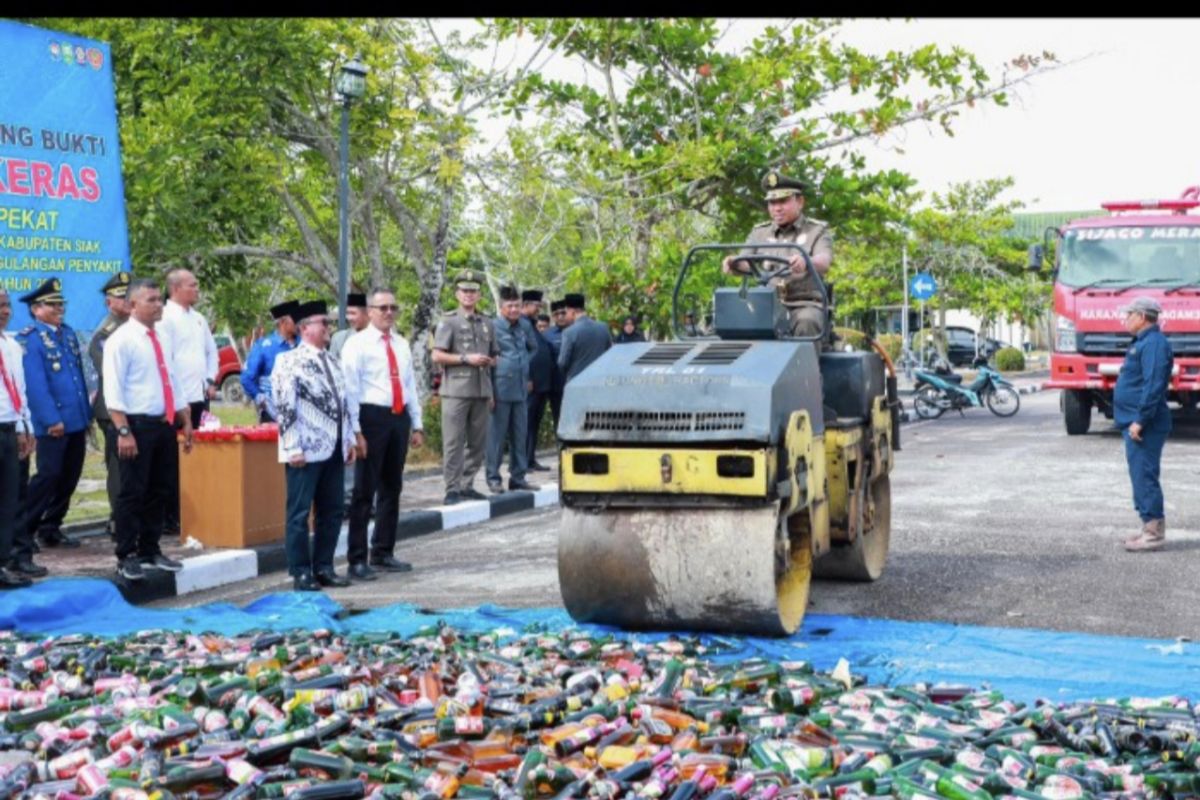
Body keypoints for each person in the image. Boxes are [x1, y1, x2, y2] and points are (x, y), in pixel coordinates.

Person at [102, 278, 193, 581]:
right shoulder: (121, 340)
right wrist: (123, 432)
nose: (158, 305)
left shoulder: (161, 337)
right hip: (135, 425)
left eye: (159, 299)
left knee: (160, 489)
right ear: (131, 305)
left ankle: (150, 549)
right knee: (132, 492)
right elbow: (113, 391)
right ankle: (126, 554)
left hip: (162, 423)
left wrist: (185, 418)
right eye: (151, 300)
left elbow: (172, 380)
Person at [271, 300, 356, 591]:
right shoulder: (288, 361)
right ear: (305, 328)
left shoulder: (333, 360)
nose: (328, 328)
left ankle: (324, 566)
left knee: (331, 511)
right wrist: (292, 446)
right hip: (304, 450)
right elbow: (285, 407)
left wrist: (349, 440)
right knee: (299, 513)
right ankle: (300, 571)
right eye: (323, 322)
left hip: (332, 448)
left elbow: (343, 404)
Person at [341, 288, 424, 580]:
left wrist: (417, 423)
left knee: (392, 487)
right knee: (364, 491)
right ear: (370, 312)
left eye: (393, 307)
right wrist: (355, 430)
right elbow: (350, 389)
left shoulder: (401, 343)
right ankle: (357, 559)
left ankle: (383, 551)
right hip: (370, 416)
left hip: (397, 416)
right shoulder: (357, 344)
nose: (389, 312)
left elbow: (410, 383)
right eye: (383, 308)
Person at [16, 277, 91, 554]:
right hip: (53, 423)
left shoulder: (68, 334)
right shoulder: (31, 339)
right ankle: (24, 529)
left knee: (69, 476)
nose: (60, 308)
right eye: (53, 304)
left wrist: (85, 416)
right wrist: (50, 420)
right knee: (48, 476)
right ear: (36, 309)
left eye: (62, 303)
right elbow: (36, 386)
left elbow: (76, 378)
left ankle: (51, 526)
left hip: (76, 419)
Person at [722, 170, 833, 338]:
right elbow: (746, 262)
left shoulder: (816, 230)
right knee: (730, 322)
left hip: (803, 305)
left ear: (800, 201)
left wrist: (806, 261)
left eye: (783, 201)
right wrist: (733, 263)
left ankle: (803, 365)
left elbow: (824, 260)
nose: (777, 208)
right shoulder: (760, 233)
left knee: (806, 323)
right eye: (772, 203)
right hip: (766, 305)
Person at [158, 267, 219, 539]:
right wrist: (178, 397)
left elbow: (211, 351)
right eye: (192, 285)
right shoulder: (165, 317)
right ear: (176, 289)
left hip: (199, 397)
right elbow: (167, 361)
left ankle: (196, 508)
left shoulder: (199, 319)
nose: (197, 289)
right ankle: (171, 515)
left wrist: (210, 379)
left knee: (197, 455)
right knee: (172, 460)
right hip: (175, 400)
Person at [431, 269, 497, 506]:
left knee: (478, 443)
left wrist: (489, 361)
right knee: (453, 442)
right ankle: (452, 488)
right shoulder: (448, 321)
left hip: (481, 390)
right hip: (456, 391)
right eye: (465, 291)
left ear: (479, 295)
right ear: (457, 294)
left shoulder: (487, 322)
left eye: (473, 291)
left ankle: (467, 485)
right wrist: (466, 359)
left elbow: (495, 356)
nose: (469, 295)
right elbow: (437, 355)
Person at [1114, 296, 1174, 552]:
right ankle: (1147, 526)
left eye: (1129, 314)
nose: (1126, 319)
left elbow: (1153, 386)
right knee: (1140, 475)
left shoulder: (1154, 344)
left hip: (1145, 424)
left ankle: (1154, 533)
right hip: (1135, 422)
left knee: (1145, 476)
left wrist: (1140, 420)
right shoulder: (1143, 342)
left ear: (1142, 316)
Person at [88, 271, 132, 541]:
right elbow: (113, 373)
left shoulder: (136, 329)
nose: (127, 300)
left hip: (136, 408)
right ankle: (118, 518)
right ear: (109, 302)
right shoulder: (105, 334)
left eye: (129, 295)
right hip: (112, 409)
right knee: (119, 466)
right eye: (121, 296)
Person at [486, 286, 538, 493]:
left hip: (520, 387)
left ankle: (518, 477)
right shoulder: (492, 326)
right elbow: (486, 357)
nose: (514, 309)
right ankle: (493, 478)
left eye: (517, 305)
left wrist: (521, 364)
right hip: (500, 388)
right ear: (501, 307)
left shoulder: (524, 325)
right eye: (510, 306)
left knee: (520, 434)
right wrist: (490, 391)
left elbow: (533, 347)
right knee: (497, 436)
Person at [0, 288, 36, 587]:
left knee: (8, 499)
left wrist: (25, 427)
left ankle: (2, 563)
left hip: (9, 429)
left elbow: (19, 390)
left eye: (6, 305)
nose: (5, 311)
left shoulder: (11, 345)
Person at [241, 300, 299, 423]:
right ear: (283, 322)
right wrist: (261, 399)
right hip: (273, 416)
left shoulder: (303, 344)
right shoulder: (264, 346)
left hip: (302, 415)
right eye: (296, 318)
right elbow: (247, 377)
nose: (299, 322)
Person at [522, 290, 554, 472]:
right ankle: (522, 462)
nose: (538, 309)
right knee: (525, 423)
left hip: (541, 385)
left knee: (534, 422)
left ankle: (530, 458)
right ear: (526, 304)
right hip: (530, 384)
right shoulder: (520, 324)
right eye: (536, 305)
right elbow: (522, 353)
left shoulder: (533, 325)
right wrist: (527, 377)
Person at [557, 293, 612, 383]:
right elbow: (609, 354)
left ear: (572, 312)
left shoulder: (569, 332)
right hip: (599, 381)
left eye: (566, 312)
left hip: (576, 382)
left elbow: (562, 363)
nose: (565, 316)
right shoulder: (603, 327)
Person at [544, 299, 570, 427]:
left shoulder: (577, 330)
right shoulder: (547, 335)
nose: (560, 317)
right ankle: (561, 446)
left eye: (563, 313)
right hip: (556, 386)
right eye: (556, 314)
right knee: (558, 418)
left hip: (575, 383)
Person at [330, 292, 369, 360]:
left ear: (366, 314)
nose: (349, 318)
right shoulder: (339, 338)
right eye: (348, 313)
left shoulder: (379, 338)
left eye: (353, 313)